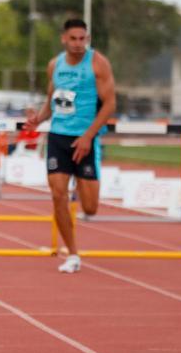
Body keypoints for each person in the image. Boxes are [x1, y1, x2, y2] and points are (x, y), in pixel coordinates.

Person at [24, 18, 116, 274]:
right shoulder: (55, 65)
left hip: (84, 138)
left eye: (82, 39)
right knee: (56, 195)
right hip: (58, 137)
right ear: (64, 38)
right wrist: (37, 119)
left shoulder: (98, 64)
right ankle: (73, 254)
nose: (78, 44)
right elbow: (52, 101)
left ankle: (81, 183)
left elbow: (109, 105)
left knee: (90, 208)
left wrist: (88, 136)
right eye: (73, 39)